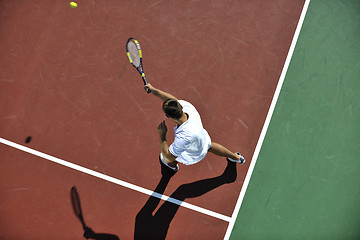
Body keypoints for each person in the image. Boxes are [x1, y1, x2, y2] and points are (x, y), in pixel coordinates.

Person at [145, 83, 245, 172]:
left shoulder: (183, 137)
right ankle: (236, 157)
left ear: (168, 116)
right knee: (209, 146)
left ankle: (173, 166)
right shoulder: (189, 108)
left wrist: (162, 136)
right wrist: (154, 90)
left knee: (171, 156)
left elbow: (168, 157)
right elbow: (172, 100)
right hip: (202, 139)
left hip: (193, 155)